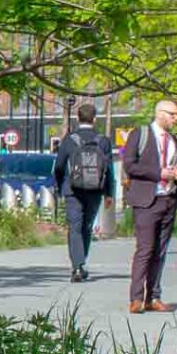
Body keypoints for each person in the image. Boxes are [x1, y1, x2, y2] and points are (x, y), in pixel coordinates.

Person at [121, 97, 177, 313]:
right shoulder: (140, 135)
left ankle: (154, 297)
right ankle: (136, 298)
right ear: (160, 113)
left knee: (160, 250)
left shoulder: (175, 141)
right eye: (172, 114)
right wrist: (158, 173)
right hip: (146, 200)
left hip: (168, 199)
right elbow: (130, 165)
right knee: (145, 249)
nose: (176, 119)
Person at [51, 101, 114, 282]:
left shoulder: (70, 140)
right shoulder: (103, 141)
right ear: (95, 119)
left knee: (75, 227)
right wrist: (109, 193)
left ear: (78, 118)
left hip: (72, 190)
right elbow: (108, 169)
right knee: (87, 226)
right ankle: (82, 262)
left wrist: (59, 186)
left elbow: (59, 166)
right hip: (95, 190)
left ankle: (77, 266)